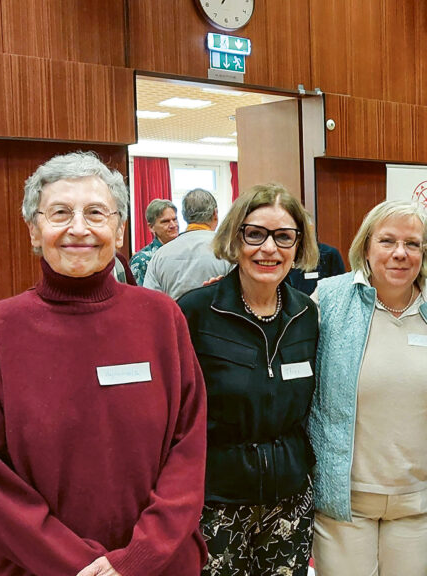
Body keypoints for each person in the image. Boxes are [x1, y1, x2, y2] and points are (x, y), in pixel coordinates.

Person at [0, 152, 208, 576]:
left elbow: (189, 450)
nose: (78, 228)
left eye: (96, 212)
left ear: (120, 228)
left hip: (155, 564)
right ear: (34, 231)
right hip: (34, 567)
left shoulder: (163, 318)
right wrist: (83, 566)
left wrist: (135, 560)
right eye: (60, 213)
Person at [178, 183, 320, 576]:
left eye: (284, 237)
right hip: (215, 501)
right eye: (255, 234)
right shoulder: (196, 313)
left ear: (298, 245)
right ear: (235, 238)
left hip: (289, 500)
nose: (269, 249)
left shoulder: (306, 313)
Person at [309, 200, 427, 575]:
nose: (400, 254)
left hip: (418, 504)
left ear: (425, 252)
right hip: (345, 503)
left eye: (412, 243)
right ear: (366, 247)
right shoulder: (329, 299)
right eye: (388, 241)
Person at [144, 188, 232, 301]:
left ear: (183, 216)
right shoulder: (229, 250)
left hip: (174, 317)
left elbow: (150, 302)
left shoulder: (159, 256)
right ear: (215, 214)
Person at [129, 198, 179, 284]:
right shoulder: (142, 260)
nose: (173, 225)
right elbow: (138, 295)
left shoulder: (185, 252)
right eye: (165, 221)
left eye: (174, 219)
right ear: (151, 227)